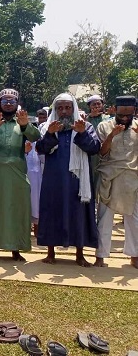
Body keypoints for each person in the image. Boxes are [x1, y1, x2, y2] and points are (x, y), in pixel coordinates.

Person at [36, 93, 100, 266]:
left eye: (67, 107)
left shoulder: (85, 126)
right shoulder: (47, 127)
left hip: (77, 180)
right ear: (56, 110)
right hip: (53, 179)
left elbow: (94, 148)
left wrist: (81, 134)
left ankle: (80, 254)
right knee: (52, 211)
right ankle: (50, 253)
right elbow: (40, 149)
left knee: (78, 213)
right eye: (60, 108)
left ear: (73, 109)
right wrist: (50, 134)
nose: (64, 112)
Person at [0, 89, 40, 261]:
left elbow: (36, 137)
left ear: (17, 103)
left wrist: (25, 125)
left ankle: (16, 250)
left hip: (17, 173)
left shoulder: (21, 121)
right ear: (0, 103)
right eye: (5, 101)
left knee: (17, 210)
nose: (8, 104)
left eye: (12, 101)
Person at [95, 96, 138, 268]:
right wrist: (112, 135)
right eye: (122, 115)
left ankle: (135, 256)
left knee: (134, 220)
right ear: (115, 110)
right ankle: (100, 255)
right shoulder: (104, 126)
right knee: (105, 219)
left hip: (133, 179)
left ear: (134, 110)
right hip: (109, 178)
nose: (126, 118)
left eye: (129, 114)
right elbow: (101, 153)